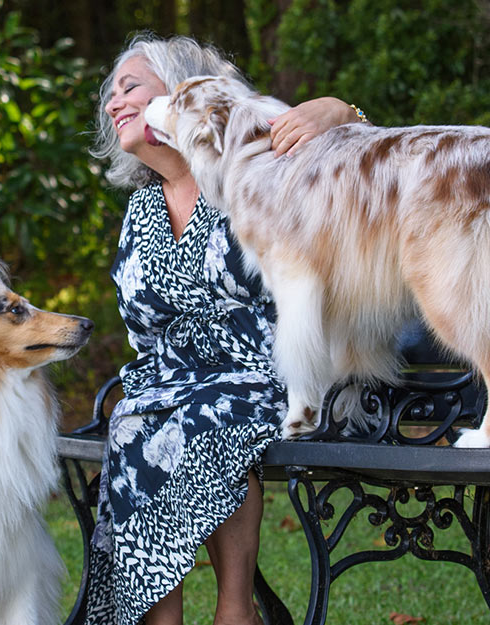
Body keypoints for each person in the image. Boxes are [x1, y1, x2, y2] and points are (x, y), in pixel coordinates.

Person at [87, 34, 364, 625]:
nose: (115, 103)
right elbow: (144, 331)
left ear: (183, 89)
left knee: (208, 414)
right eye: (111, 95)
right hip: (173, 385)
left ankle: (235, 610)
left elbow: (372, 178)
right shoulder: (141, 210)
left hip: (279, 375)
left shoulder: (258, 163)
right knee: (135, 420)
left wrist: (342, 112)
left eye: (129, 86)